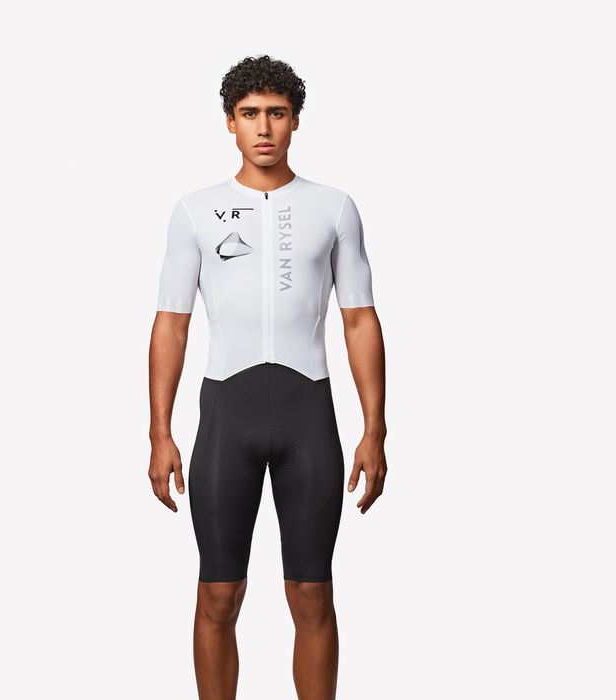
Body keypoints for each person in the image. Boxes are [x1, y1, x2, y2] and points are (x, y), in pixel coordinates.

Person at [148, 54, 388, 700]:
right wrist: (160, 433)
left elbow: (359, 321)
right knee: (218, 593)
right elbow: (171, 325)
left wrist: (374, 430)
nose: (263, 127)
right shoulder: (195, 211)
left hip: (309, 415)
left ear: (295, 121)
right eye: (249, 113)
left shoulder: (334, 208)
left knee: (312, 593)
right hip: (227, 418)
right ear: (229, 122)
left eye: (276, 113)